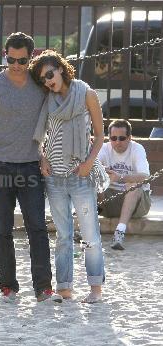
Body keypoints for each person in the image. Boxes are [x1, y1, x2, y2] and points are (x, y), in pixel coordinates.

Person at [0, 32, 62, 303]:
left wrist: (45, 154)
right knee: (2, 229)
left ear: (31, 57)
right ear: (5, 55)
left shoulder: (41, 86)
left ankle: (43, 287)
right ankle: (8, 285)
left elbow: (53, 124)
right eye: (10, 59)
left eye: (22, 60)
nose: (15, 65)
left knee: (37, 227)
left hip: (31, 167)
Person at [29, 49, 106, 303]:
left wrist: (87, 164)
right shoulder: (47, 99)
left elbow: (100, 135)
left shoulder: (86, 94)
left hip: (80, 175)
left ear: (61, 68)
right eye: (43, 79)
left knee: (90, 235)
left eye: (50, 74)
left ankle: (95, 289)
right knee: (62, 237)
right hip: (55, 179)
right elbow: (43, 136)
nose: (48, 81)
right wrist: (42, 158)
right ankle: (65, 288)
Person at [98, 119, 151, 250]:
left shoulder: (137, 149)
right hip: (109, 201)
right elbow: (92, 171)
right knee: (91, 183)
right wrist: (102, 172)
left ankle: (119, 232)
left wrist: (120, 177)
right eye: (113, 138)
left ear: (129, 138)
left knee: (133, 185)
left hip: (137, 205)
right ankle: (86, 229)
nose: (117, 142)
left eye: (122, 138)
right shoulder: (104, 148)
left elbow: (145, 176)